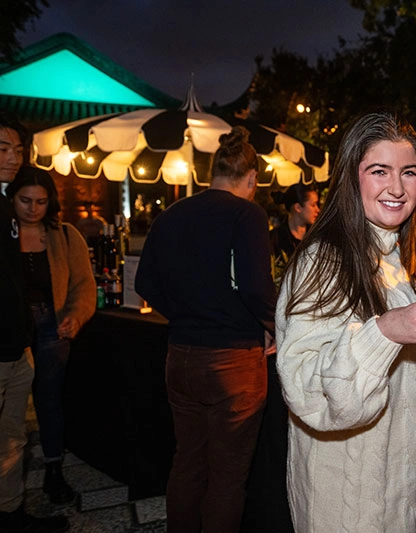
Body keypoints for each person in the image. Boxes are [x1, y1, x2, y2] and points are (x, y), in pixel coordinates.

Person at [276, 112, 416, 532]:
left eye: (409, 173)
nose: (397, 188)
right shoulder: (324, 261)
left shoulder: (397, 258)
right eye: (379, 171)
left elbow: (395, 373)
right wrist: (386, 331)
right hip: (351, 505)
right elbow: (309, 392)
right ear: (351, 179)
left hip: (408, 494)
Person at [135, 126, 277, 533]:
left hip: (180, 356)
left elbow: (145, 284)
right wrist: (273, 328)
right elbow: (255, 287)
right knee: (228, 475)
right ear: (251, 178)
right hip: (232, 361)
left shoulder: (171, 214)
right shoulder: (247, 213)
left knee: (188, 462)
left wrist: (184, 313)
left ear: (210, 173)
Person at [6, 167, 96, 505]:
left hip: (50, 324)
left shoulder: (65, 235)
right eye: (25, 200)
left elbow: (83, 285)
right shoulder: (5, 233)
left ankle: (54, 470)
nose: (33, 208)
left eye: (41, 202)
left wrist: (75, 316)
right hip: (10, 327)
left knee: (50, 401)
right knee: (10, 408)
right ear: (11, 198)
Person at [0, 114, 69, 533]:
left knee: (13, 440)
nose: (12, 157)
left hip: (19, 343)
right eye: (2, 149)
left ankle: (12, 515)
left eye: (17, 149)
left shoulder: (7, 205)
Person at [240, 184, 319, 533]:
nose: (319, 209)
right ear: (297, 208)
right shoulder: (271, 242)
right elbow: (258, 289)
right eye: (314, 204)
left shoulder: (319, 242)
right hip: (277, 338)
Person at [269, 183, 320, 286]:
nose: (317, 210)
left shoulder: (317, 237)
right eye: (313, 205)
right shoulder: (274, 238)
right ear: (298, 207)